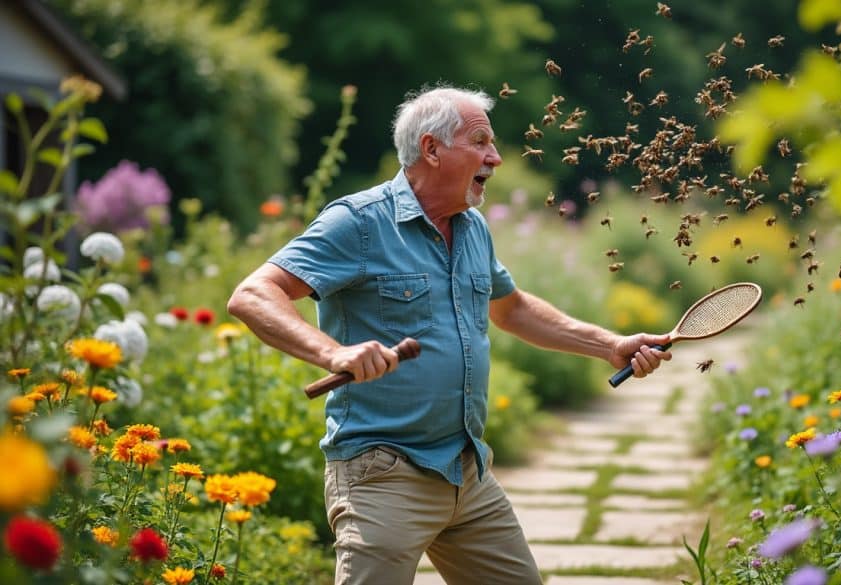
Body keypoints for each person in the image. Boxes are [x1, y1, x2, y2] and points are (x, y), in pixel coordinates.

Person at [226, 85, 672, 585]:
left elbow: (513, 309)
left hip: (466, 471)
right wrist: (333, 352)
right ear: (431, 150)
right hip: (383, 474)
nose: (496, 158)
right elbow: (252, 293)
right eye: (480, 141)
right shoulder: (359, 223)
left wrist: (609, 345)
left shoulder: (473, 228)